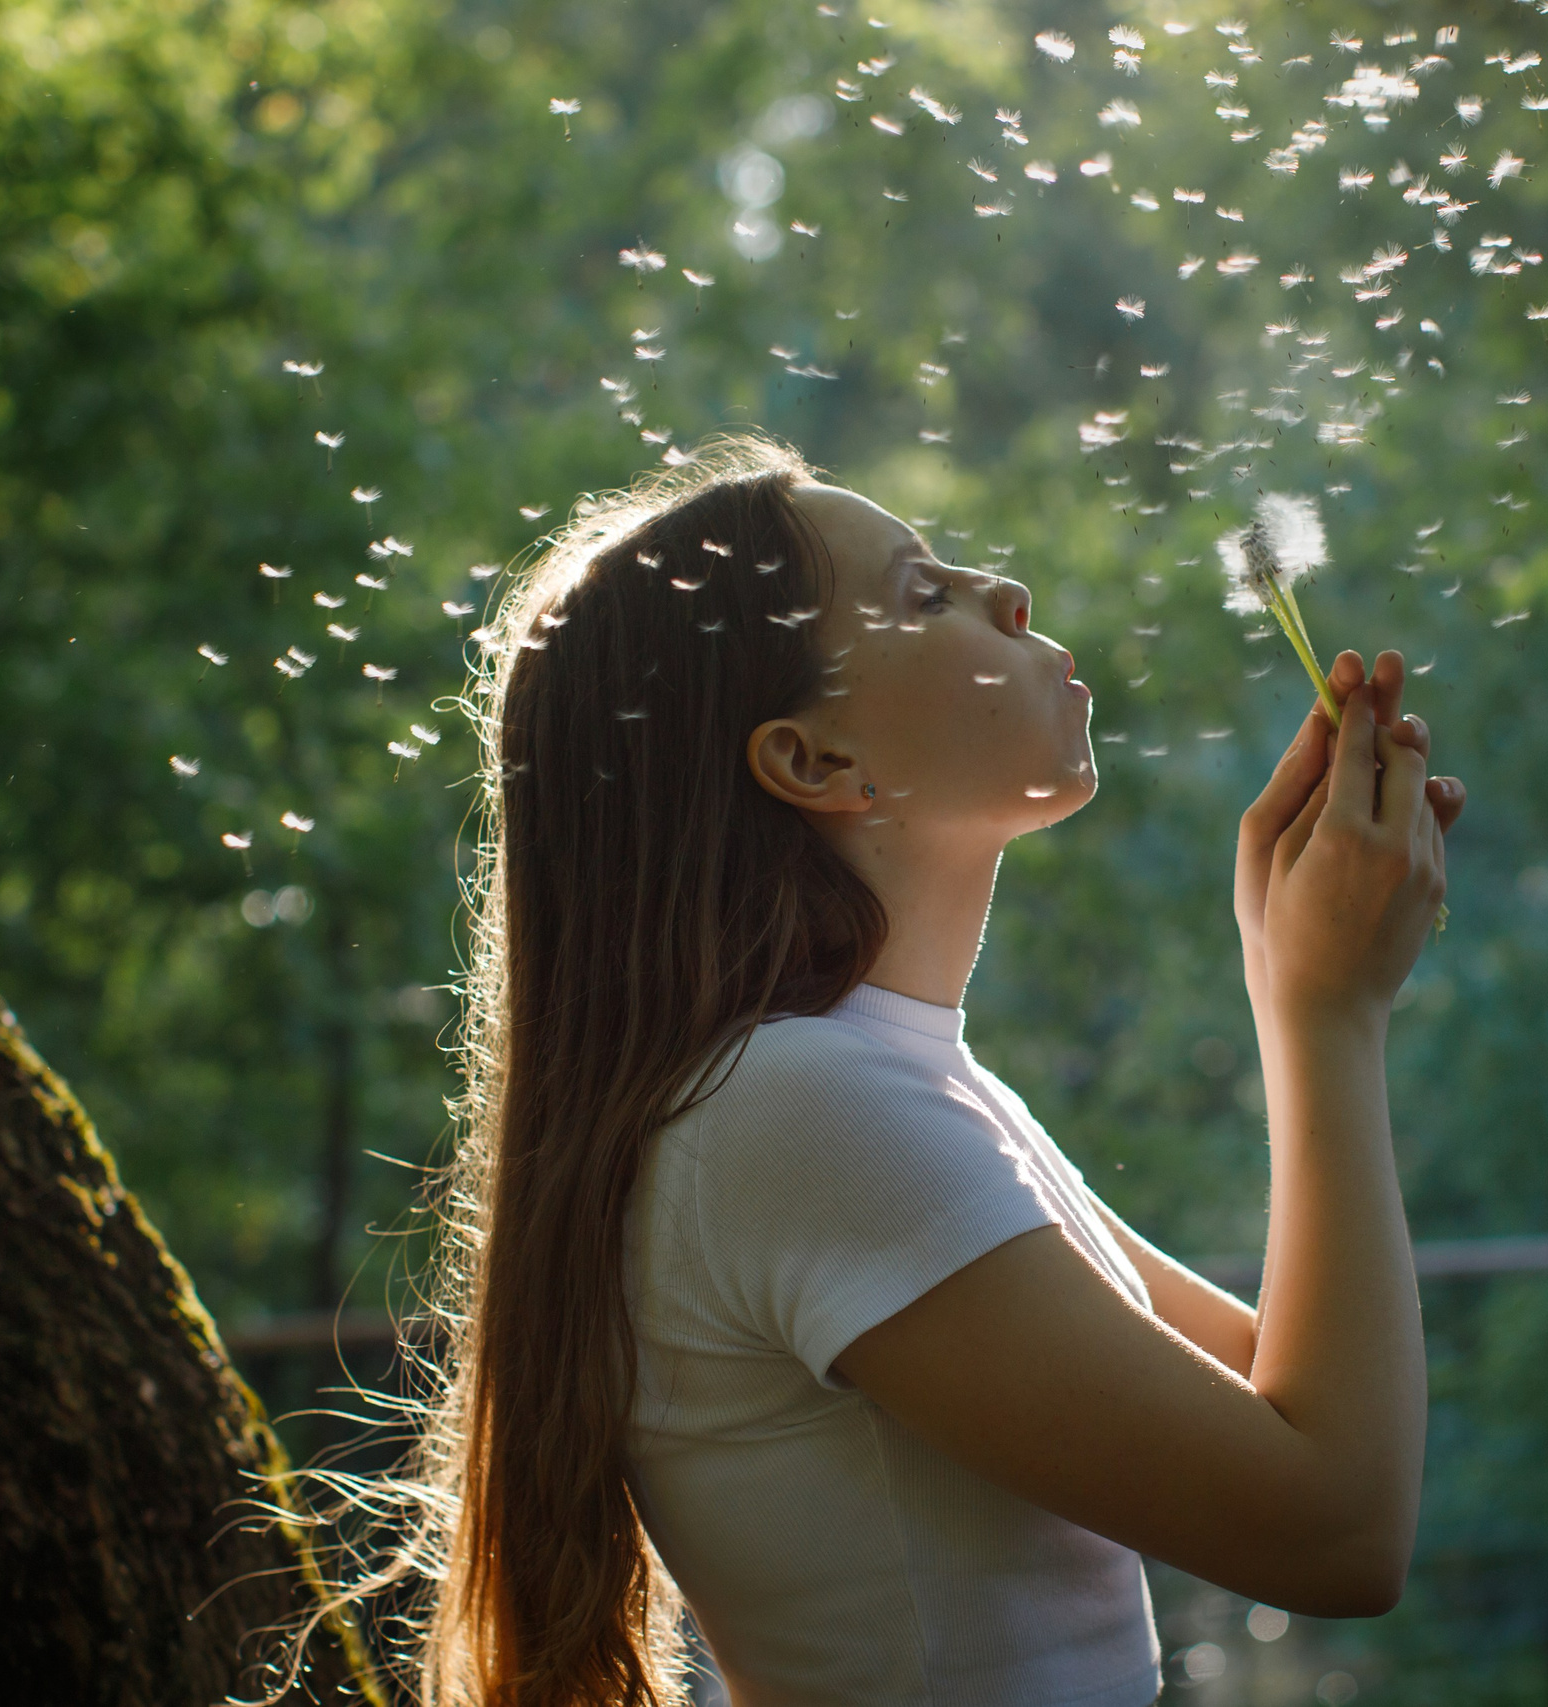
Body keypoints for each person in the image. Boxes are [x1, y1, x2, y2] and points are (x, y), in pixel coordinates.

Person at [377, 434, 1463, 1707]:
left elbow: (1287, 1391)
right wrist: (1327, 1015)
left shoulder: (880, 1084)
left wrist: (1292, 973)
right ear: (813, 764)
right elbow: (1333, 1533)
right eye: (919, 594)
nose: (1003, 591)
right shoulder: (798, 1111)